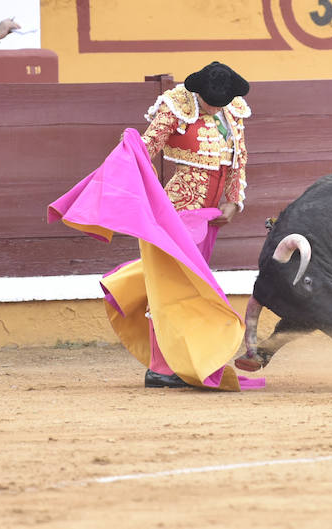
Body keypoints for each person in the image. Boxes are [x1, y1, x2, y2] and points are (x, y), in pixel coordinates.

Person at [48, 62, 260, 391]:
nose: (217, 105)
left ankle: (175, 352)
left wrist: (232, 200)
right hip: (176, 214)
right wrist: (128, 146)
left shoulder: (231, 111)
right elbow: (145, 152)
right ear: (198, 92)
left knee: (184, 288)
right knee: (172, 290)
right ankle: (161, 369)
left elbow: (239, 159)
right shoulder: (175, 106)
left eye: (223, 100)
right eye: (211, 100)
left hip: (209, 218)